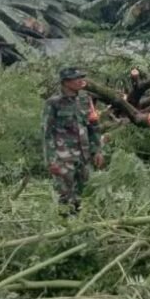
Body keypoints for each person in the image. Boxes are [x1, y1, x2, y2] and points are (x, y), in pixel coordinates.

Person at [42, 67, 104, 214]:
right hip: (63, 158)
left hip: (85, 156)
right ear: (66, 82)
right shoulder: (53, 103)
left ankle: (82, 227)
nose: (81, 81)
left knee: (86, 196)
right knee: (65, 197)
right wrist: (51, 161)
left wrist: (98, 151)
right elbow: (47, 133)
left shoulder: (85, 99)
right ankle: (65, 230)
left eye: (81, 77)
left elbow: (93, 127)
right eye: (77, 78)